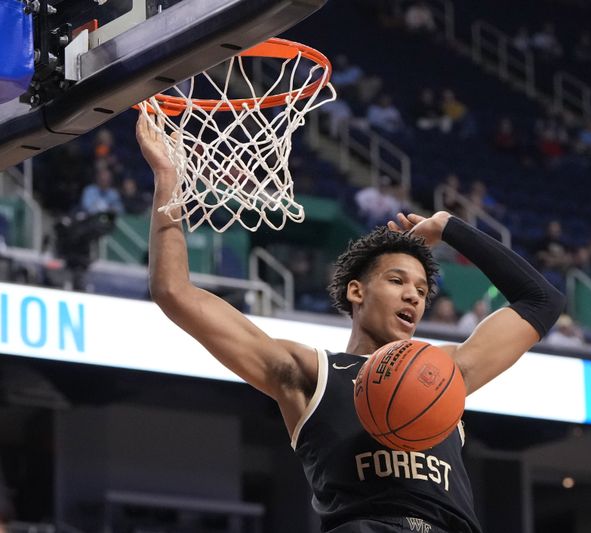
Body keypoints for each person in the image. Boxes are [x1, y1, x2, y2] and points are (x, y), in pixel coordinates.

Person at [136, 114, 564, 533]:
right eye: (397, 280)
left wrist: (450, 227)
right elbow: (175, 292)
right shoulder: (311, 372)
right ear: (357, 292)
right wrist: (168, 183)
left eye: (421, 289)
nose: (414, 294)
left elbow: (543, 301)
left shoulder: (445, 375)